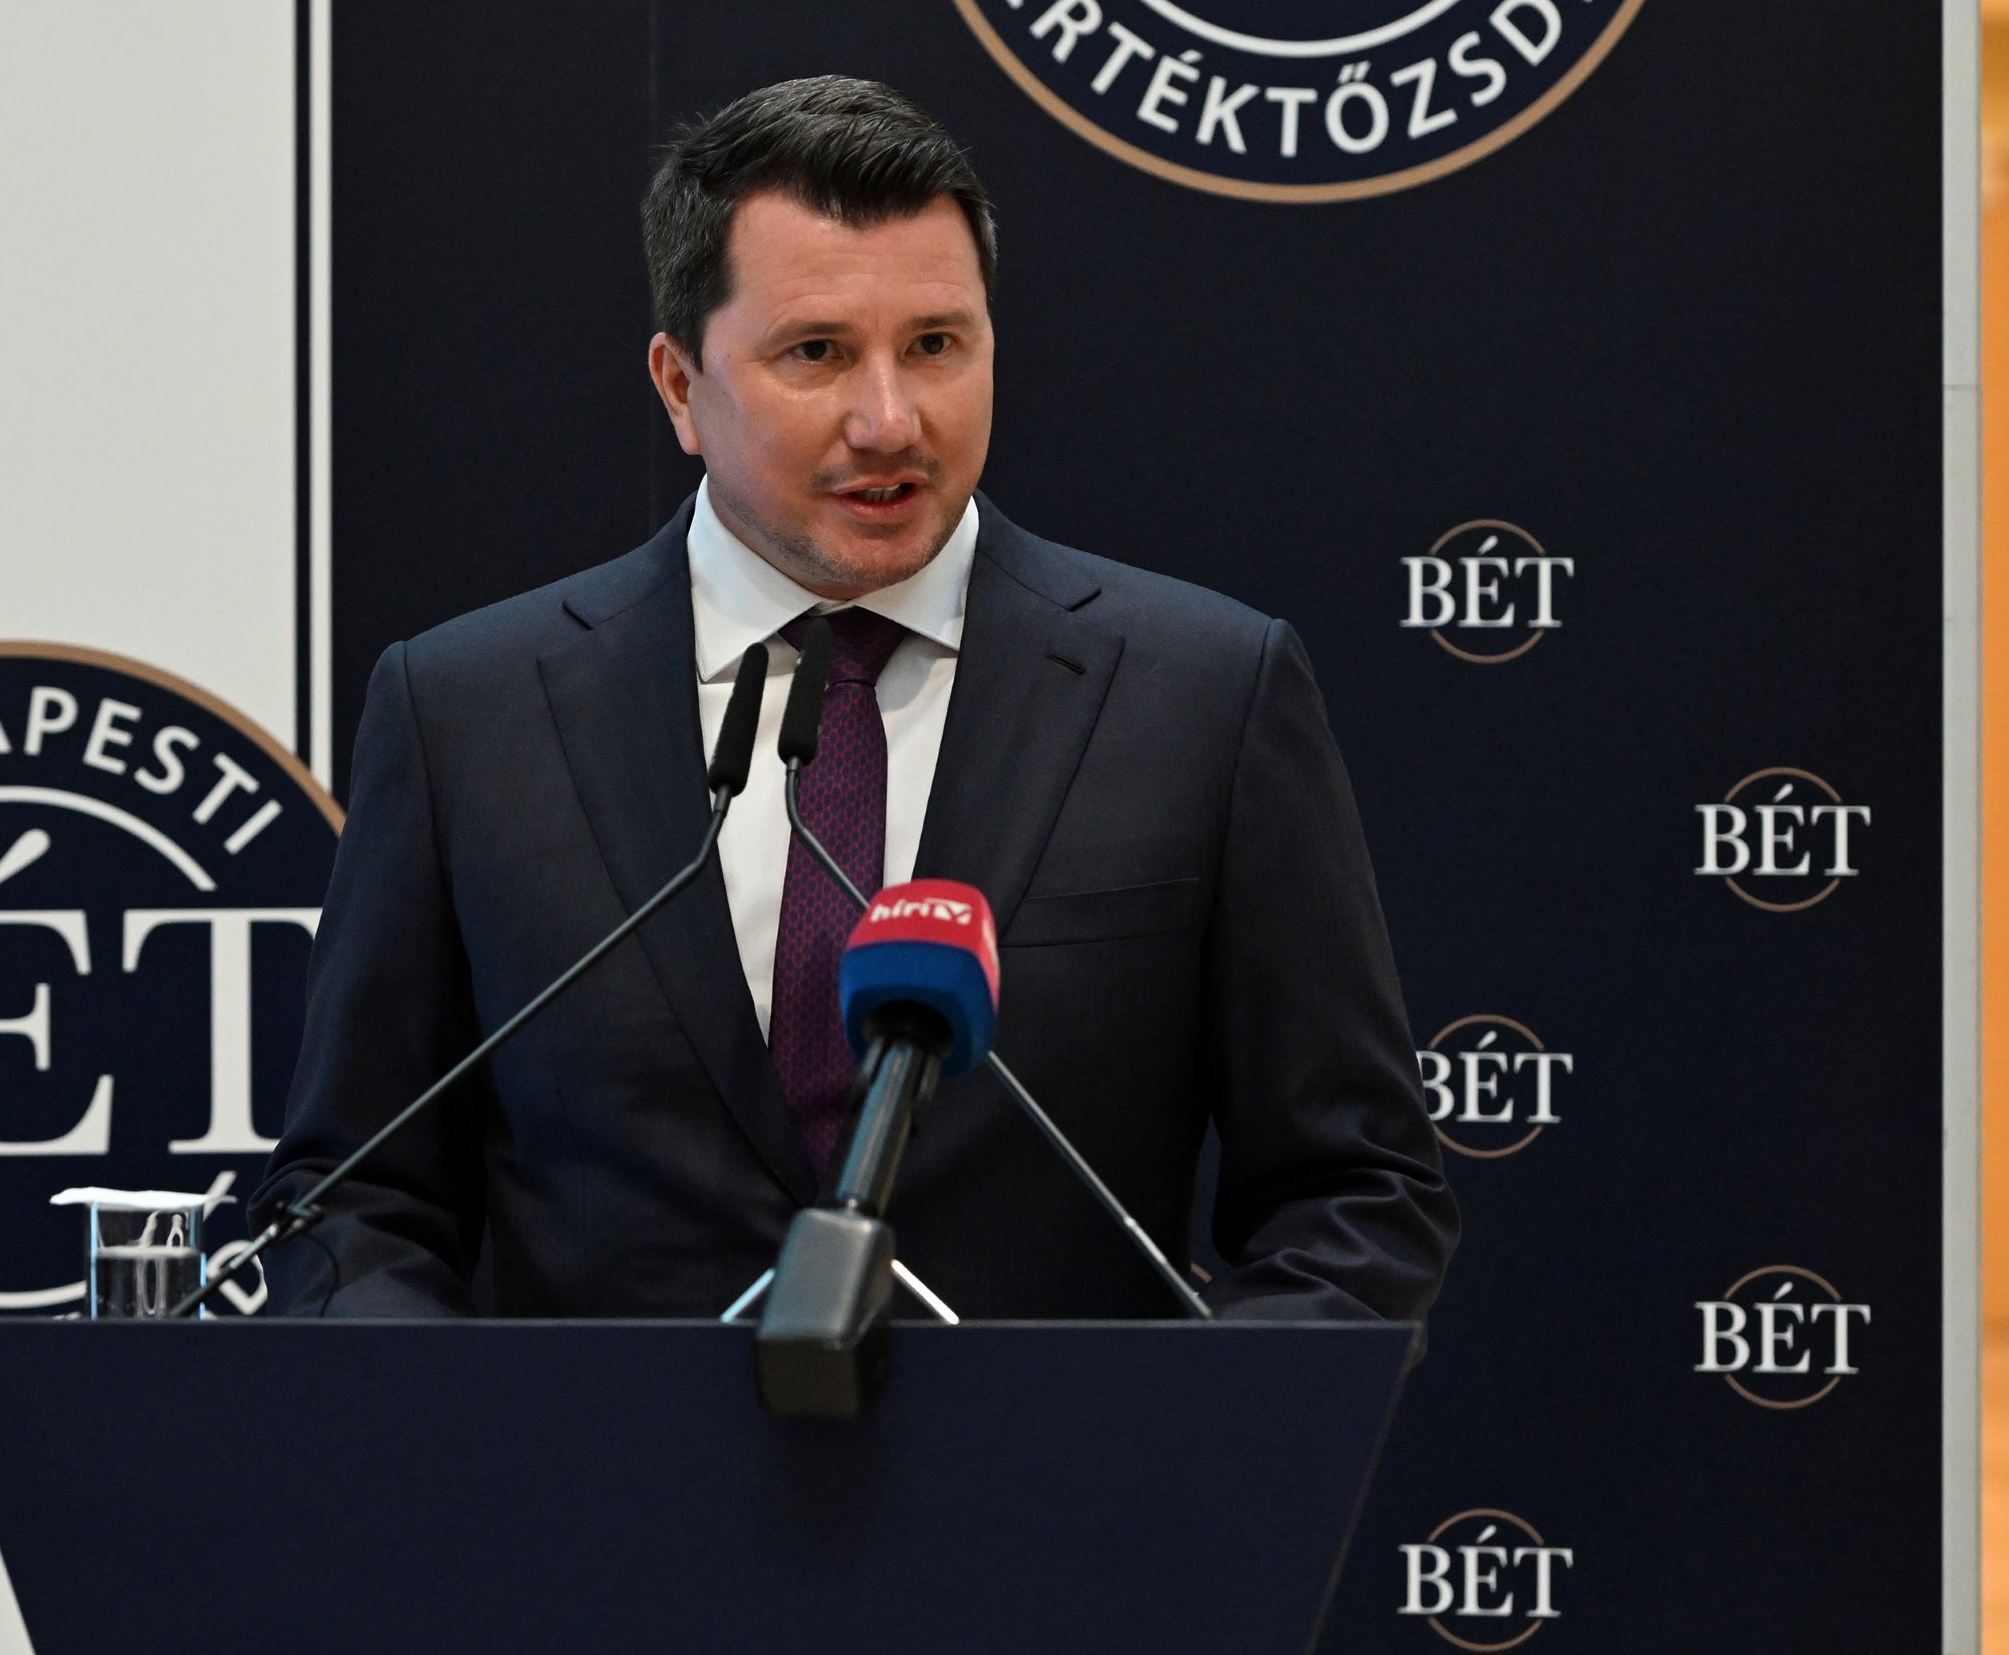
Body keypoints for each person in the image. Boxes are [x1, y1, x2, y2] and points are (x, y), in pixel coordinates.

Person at [255, 76, 1457, 1325]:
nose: (889, 421)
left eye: (935, 345)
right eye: (816, 353)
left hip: (1059, 1455)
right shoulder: (469, 714)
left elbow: (1355, 1196)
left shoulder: (1201, 694)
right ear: (679, 385)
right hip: (588, 1457)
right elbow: (353, 1203)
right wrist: (480, 1437)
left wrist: (1179, 1428)